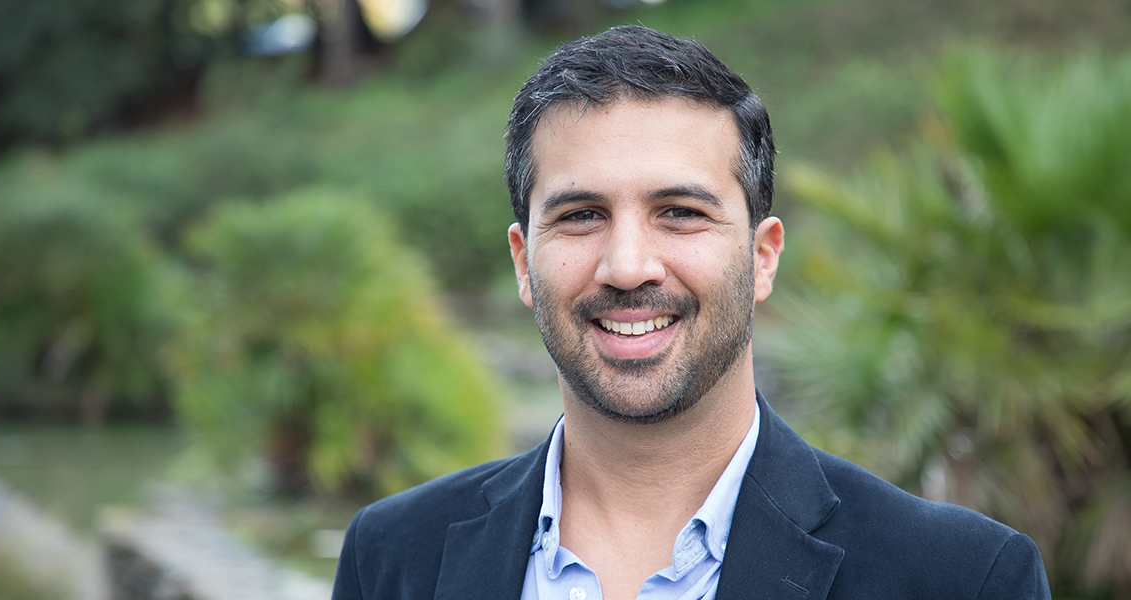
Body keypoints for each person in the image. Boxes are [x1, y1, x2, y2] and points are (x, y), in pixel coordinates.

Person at [331, 25, 1051, 600]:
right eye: (581, 215)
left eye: (680, 212)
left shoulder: (960, 577)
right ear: (524, 262)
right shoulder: (393, 557)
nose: (628, 267)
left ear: (762, 257)